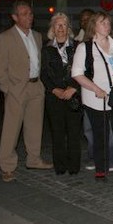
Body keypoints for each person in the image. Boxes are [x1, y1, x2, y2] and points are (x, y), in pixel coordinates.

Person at [0, 1, 53, 182]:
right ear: (15, 17)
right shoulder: (5, 38)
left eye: (30, 13)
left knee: (35, 126)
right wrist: (9, 89)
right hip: (17, 90)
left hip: (36, 86)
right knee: (11, 129)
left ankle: (34, 159)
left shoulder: (36, 36)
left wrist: (41, 84)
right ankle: (7, 166)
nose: (30, 17)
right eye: (25, 14)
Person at [72, 11, 113, 179]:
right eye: (102, 23)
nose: (107, 26)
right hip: (96, 98)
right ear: (94, 26)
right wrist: (95, 88)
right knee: (100, 134)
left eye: (108, 23)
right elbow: (77, 74)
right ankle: (101, 167)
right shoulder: (85, 47)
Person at [41, 12, 82, 175]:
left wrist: (73, 88)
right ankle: (60, 166)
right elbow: (43, 72)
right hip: (54, 97)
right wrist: (54, 89)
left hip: (73, 95)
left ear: (68, 28)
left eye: (63, 24)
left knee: (73, 133)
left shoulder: (78, 46)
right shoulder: (47, 48)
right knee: (57, 133)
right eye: (57, 24)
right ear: (52, 28)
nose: (60, 28)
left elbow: (84, 70)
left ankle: (74, 166)